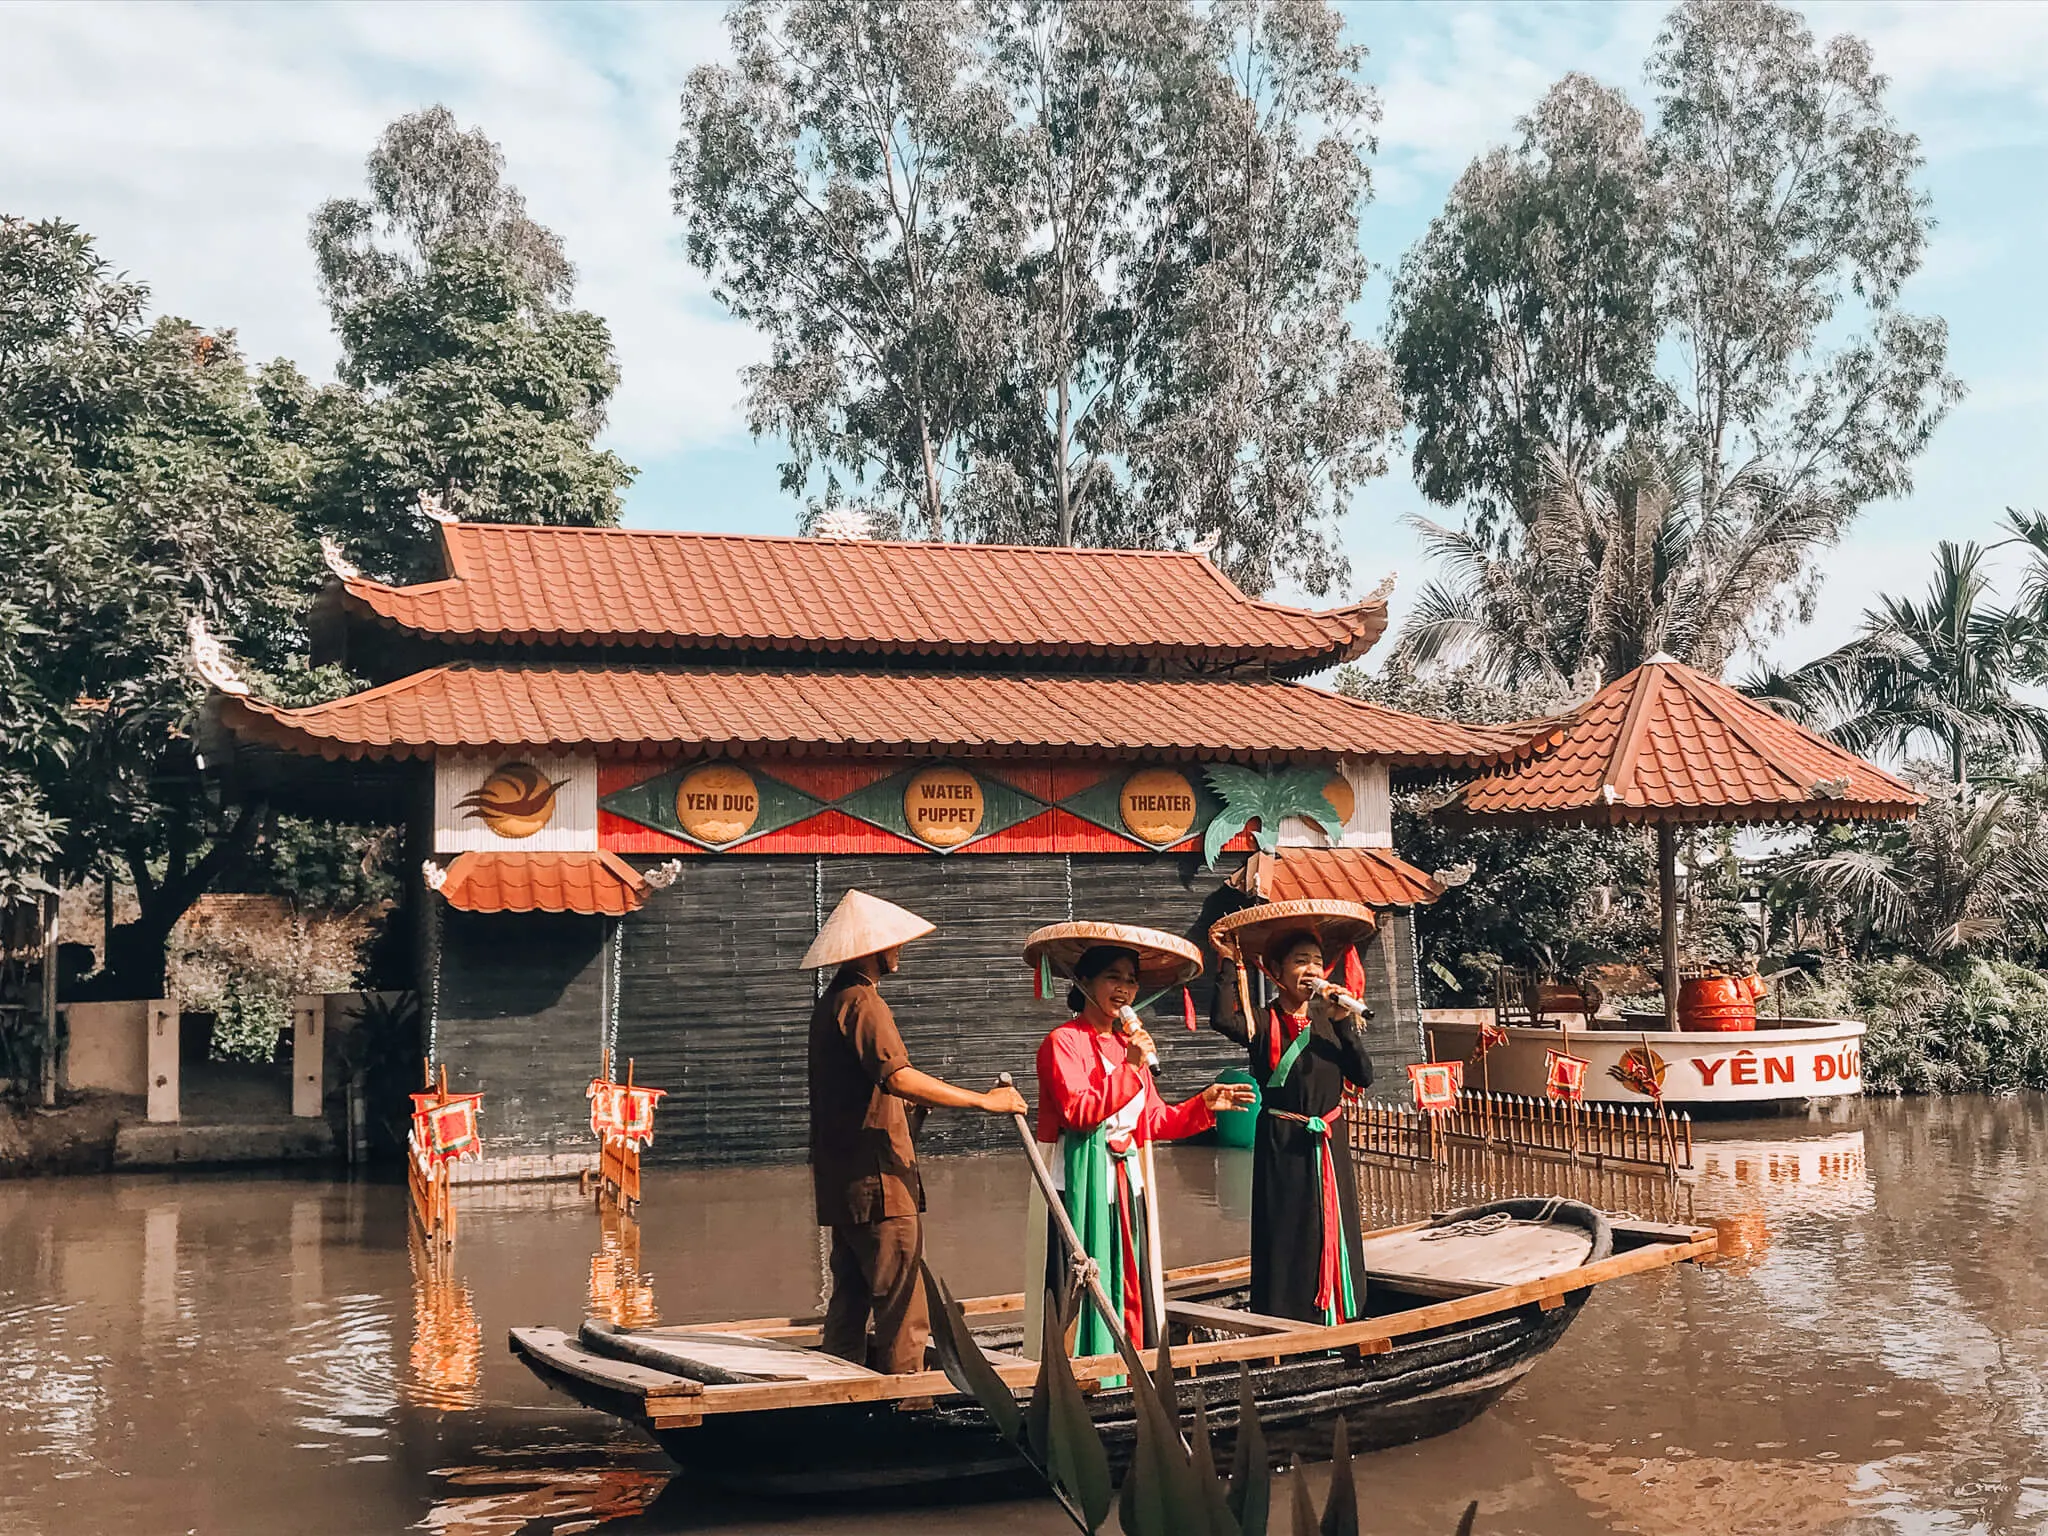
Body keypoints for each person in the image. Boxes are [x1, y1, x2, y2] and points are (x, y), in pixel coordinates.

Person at [805, 889, 1028, 1375]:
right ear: (870, 948)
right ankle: (908, 1401)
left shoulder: (833, 1004)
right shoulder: (863, 1002)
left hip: (846, 1183)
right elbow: (899, 1077)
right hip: (878, 1183)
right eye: (894, 942)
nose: (900, 950)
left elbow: (876, 1092)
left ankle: (836, 1387)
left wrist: (911, 1104)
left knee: (851, 1296)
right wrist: (984, 1102)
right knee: (905, 1305)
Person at [1023, 922, 1254, 1359]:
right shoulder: (1062, 1043)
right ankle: (1077, 1368)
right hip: (1077, 1185)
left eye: (1131, 980)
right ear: (1084, 982)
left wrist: (1203, 1104)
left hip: (1127, 1186)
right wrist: (1130, 1068)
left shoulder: (1131, 1048)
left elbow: (1153, 1121)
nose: (1124, 989)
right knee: (1079, 1282)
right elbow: (1078, 1112)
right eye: (1113, 977)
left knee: (1131, 1279)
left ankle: (1130, 1363)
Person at [1210, 898, 1377, 1325]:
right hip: (1282, 1141)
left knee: (1333, 1222)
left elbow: (1363, 1075)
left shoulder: (1333, 1021)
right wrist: (1229, 963)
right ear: (1277, 972)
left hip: (1328, 1143)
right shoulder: (1263, 1022)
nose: (1311, 970)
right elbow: (1223, 1020)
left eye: (1317, 962)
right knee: (1287, 1228)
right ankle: (1287, 1315)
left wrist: (1342, 1022)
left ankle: (1342, 1310)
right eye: (1300, 961)